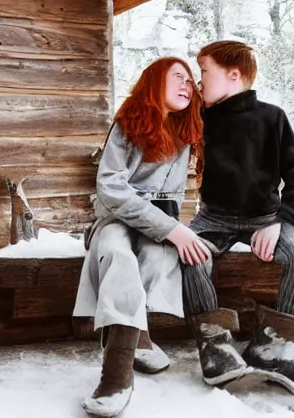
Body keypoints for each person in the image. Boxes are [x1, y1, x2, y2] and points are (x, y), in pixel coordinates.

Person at [73, 57, 208, 418]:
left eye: (192, 81)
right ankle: (116, 375)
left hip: (161, 223)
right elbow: (111, 188)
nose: (188, 85)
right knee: (118, 254)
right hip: (118, 217)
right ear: (154, 82)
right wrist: (173, 230)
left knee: (157, 258)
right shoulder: (128, 124)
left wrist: (172, 229)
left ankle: (139, 337)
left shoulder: (189, 129)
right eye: (177, 76)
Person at [184, 40, 294, 395]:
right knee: (188, 255)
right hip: (214, 219)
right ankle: (215, 344)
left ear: (233, 75)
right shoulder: (198, 117)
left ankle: (274, 346)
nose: (199, 82)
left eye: (204, 72)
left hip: (266, 217)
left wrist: (281, 222)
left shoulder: (272, 117)